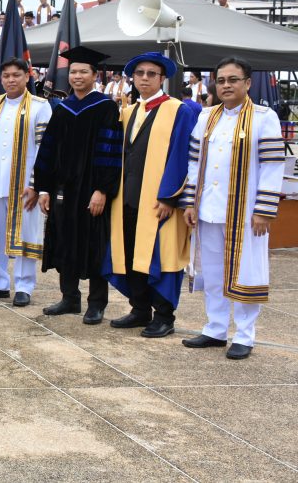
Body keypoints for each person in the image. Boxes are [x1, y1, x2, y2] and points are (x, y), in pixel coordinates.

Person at [181, 56, 286, 360]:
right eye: (221, 80)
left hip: (247, 211)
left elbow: (272, 165)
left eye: (233, 80)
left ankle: (244, 335)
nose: (226, 85)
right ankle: (215, 329)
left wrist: (264, 209)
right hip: (209, 208)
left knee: (245, 272)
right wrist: (190, 201)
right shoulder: (206, 116)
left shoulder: (264, 117)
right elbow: (194, 162)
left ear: (247, 83)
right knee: (214, 272)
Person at [105, 52, 198, 338]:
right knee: (132, 253)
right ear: (133, 78)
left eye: (151, 74)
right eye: (139, 73)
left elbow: (182, 156)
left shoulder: (179, 110)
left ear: (162, 78)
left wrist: (169, 197)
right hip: (128, 198)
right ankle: (140, 309)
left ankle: (164, 316)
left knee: (163, 257)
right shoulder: (128, 111)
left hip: (160, 200)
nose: (144, 78)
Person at [34, 46, 123, 324]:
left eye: (83, 71)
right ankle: (69, 297)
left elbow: (111, 151)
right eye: (73, 72)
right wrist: (44, 188)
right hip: (64, 188)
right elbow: (48, 150)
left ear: (95, 75)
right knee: (64, 239)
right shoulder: (62, 109)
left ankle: (96, 303)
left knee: (94, 243)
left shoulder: (106, 107)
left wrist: (102, 189)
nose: (77, 76)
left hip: (91, 189)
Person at [0, 58, 52, 306]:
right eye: (6, 75)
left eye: (16, 75)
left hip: (25, 183)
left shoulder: (40, 106)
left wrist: (36, 184)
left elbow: (45, 149)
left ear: (27, 76)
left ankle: (24, 285)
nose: (11, 80)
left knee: (25, 233)